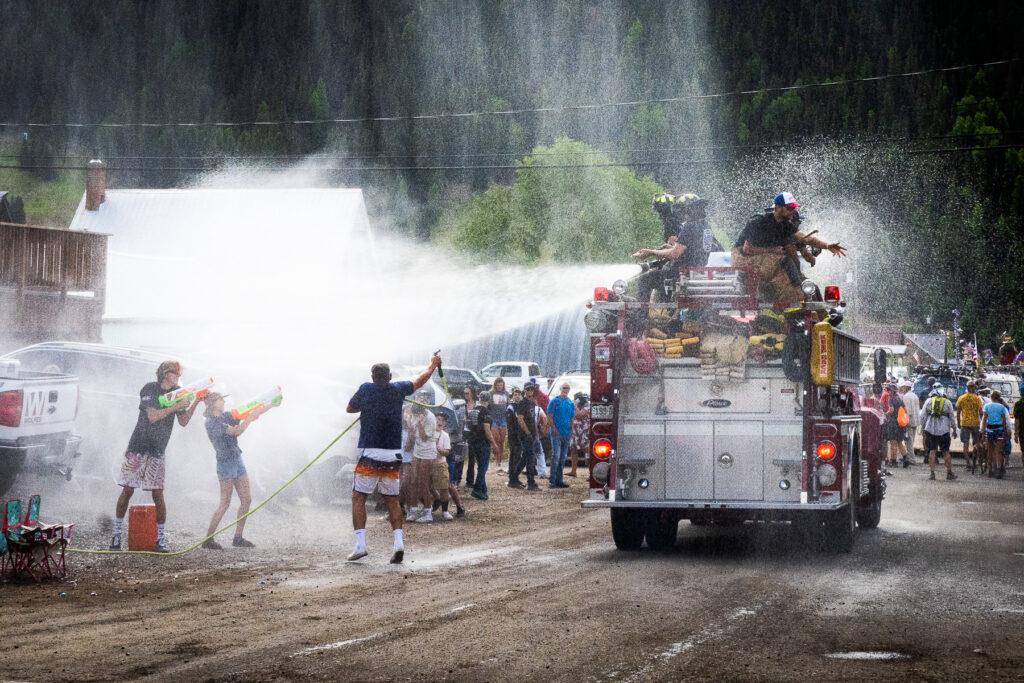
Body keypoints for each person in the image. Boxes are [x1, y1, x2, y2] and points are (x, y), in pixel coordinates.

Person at [345, 353, 441, 564]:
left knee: (358, 497)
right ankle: (399, 544)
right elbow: (420, 380)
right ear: (389, 376)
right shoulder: (398, 389)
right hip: (392, 455)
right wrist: (433, 365)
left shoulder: (365, 389)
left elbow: (350, 408)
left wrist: (367, 407)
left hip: (371, 453)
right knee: (392, 500)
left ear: (372, 377)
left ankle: (360, 545)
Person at [110, 360, 201, 552]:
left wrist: (196, 402)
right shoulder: (149, 389)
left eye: (179, 372)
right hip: (139, 446)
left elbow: (183, 421)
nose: (177, 375)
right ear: (164, 373)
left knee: (158, 493)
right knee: (128, 490)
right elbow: (153, 416)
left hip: (158, 449)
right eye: (174, 372)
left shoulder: (178, 392)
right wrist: (176, 406)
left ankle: (160, 539)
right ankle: (116, 536)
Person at [731, 192, 846, 306]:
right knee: (784, 259)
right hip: (744, 258)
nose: (793, 211)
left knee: (791, 281)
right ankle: (798, 285)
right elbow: (747, 250)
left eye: (794, 208)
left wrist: (827, 246)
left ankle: (797, 293)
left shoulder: (784, 225)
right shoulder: (758, 222)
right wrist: (772, 251)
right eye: (790, 208)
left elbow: (805, 238)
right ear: (778, 208)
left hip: (763, 259)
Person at [633, 193, 716, 303]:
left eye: (682, 210)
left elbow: (675, 253)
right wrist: (663, 250)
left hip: (682, 273)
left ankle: (641, 317)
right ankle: (667, 312)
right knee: (661, 275)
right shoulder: (705, 226)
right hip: (696, 271)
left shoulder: (690, 226)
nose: (681, 214)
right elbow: (690, 248)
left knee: (645, 279)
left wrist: (650, 252)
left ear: (689, 210)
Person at [200, 392, 257, 549]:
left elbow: (243, 413)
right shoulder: (211, 422)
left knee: (246, 499)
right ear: (213, 403)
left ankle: (238, 537)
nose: (223, 401)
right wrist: (249, 419)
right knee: (225, 503)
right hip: (225, 463)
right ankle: (208, 539)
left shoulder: (225, 415)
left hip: (237, 459)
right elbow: (236, 431)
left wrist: (267, 405)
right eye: (220, 399)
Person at [408, 393, 439, 523]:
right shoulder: (414, 413)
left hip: (428, 451)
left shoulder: (430, 417)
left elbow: (425, 436)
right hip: (417, 449)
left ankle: (428, 512)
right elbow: (412, 434)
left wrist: (420, 424)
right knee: (413, 481)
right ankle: (413, 510)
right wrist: (409, 422)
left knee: (423, 482)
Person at [920, 384, 958, 481]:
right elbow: (952, 417)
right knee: (946, 451)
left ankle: (932, 474)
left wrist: (923, 427)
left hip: (930, 429)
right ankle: (949, 473)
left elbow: (923, 416)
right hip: (944, 430)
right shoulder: (948, 402)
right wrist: (954, 429)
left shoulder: (928, 401)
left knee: (932, 451)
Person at [509, 384, 540, 490]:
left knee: (525, 457)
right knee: (530, 458)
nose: (530, 391)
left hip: (531, 434)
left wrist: (535, 433)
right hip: (525, 434)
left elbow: (533, 419)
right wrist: (528, 433)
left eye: (531, 389)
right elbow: (520, 419)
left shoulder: (531, 403)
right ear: (524, 391)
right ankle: (531, 483)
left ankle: (513, 478)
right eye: (528, 389)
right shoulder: (523, 403)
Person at [546, 382, 575, 489]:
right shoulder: (554, 401)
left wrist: (571, 429)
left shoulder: (570, 402)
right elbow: (549, 415)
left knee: (563, 458)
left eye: (567, 388)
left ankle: (559, 480)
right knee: (556, 456)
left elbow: (572, 417)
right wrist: (553, 428)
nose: (566, 389)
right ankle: (552, 480)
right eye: (564, 387)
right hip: (556, 433)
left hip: (566, 433)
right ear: (560, 388)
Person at [955, 381, 984, 474]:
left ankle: (968, 464)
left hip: (965, 424)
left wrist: (959, 423)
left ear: (967, 388)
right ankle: (978, 463)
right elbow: (981, 413)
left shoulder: (961, 398)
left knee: (965, 445)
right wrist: (982, 424)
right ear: (974, 388)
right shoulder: (977, 399)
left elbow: (958, 412)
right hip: (975, 424)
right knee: (977, 444)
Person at [983, 390, 1011, 479]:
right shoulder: (1002, 407)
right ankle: (999, 470)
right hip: (999, 430)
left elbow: (984, 419)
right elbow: (1004, 420)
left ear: (991, 397)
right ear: (998, 398)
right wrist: (1005, 431)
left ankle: (990, 470)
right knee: (998, 451)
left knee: (990, 450)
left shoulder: (987, 406)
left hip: (990, 429)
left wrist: (983, 431)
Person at [881, 382, 908, 470]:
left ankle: (893, 462)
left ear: (892, 391)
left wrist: (885, 414)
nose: (887, 391)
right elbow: (905, 410)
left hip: (893, 423)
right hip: (900, 423)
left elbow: (891, 410)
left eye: (888, 389)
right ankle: (905, 459)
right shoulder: (900, 398)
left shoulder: (891, 399)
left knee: (893, 442)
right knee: (900, 442)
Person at [489, 378, 510, 474]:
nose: (499, 387)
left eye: (501, 385)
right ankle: (496, 460)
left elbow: (508, 405)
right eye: (498, 385)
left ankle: (500, 461)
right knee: (496, 439)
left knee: (502, 440)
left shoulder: (506, 394)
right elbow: (488, 406)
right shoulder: (491, 393)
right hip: (494, 418)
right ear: (495, 385)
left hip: (503, 419)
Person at [461, 386, 480, 488]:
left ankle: (470, 480)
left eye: (467, 393)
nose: (466, 395)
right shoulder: (463, 405)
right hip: (465, 432)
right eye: (464, 393)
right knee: (461, 456)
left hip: (474, 433)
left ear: (472, 393)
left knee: (472, 457)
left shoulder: (477, 405)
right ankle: (458, 478)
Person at [569, 393, 590, 477]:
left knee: (587, 451)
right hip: (575, 431)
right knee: (573, 450)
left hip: (585, 432)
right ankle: (573, 471)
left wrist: (575, 405)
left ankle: (590, 473)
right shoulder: (574, 406)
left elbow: (580, 415)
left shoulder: (587, 406)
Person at [506, 387, 524, 486]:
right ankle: (512, 480)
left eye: (519, 394)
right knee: (514, 457)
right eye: (515, 394)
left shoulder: (521, 406)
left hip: (520, 436)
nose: (517, 396)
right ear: (512, 396)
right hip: (513, 437)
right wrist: (515, 435)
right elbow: (510, 425)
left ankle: (515, 478)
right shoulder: (510, 408)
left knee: (518, 457)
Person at [899, 380, 920, 463]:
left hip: (909, 422)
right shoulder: (915, 395)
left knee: (909, 441)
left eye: (903, 387)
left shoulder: (906, 397)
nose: (902, 389)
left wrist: (904, 423)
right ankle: (909, 457)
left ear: (906, 387)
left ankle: (911, 459)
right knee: (911, 440)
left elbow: (908, 411)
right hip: (915, 421)